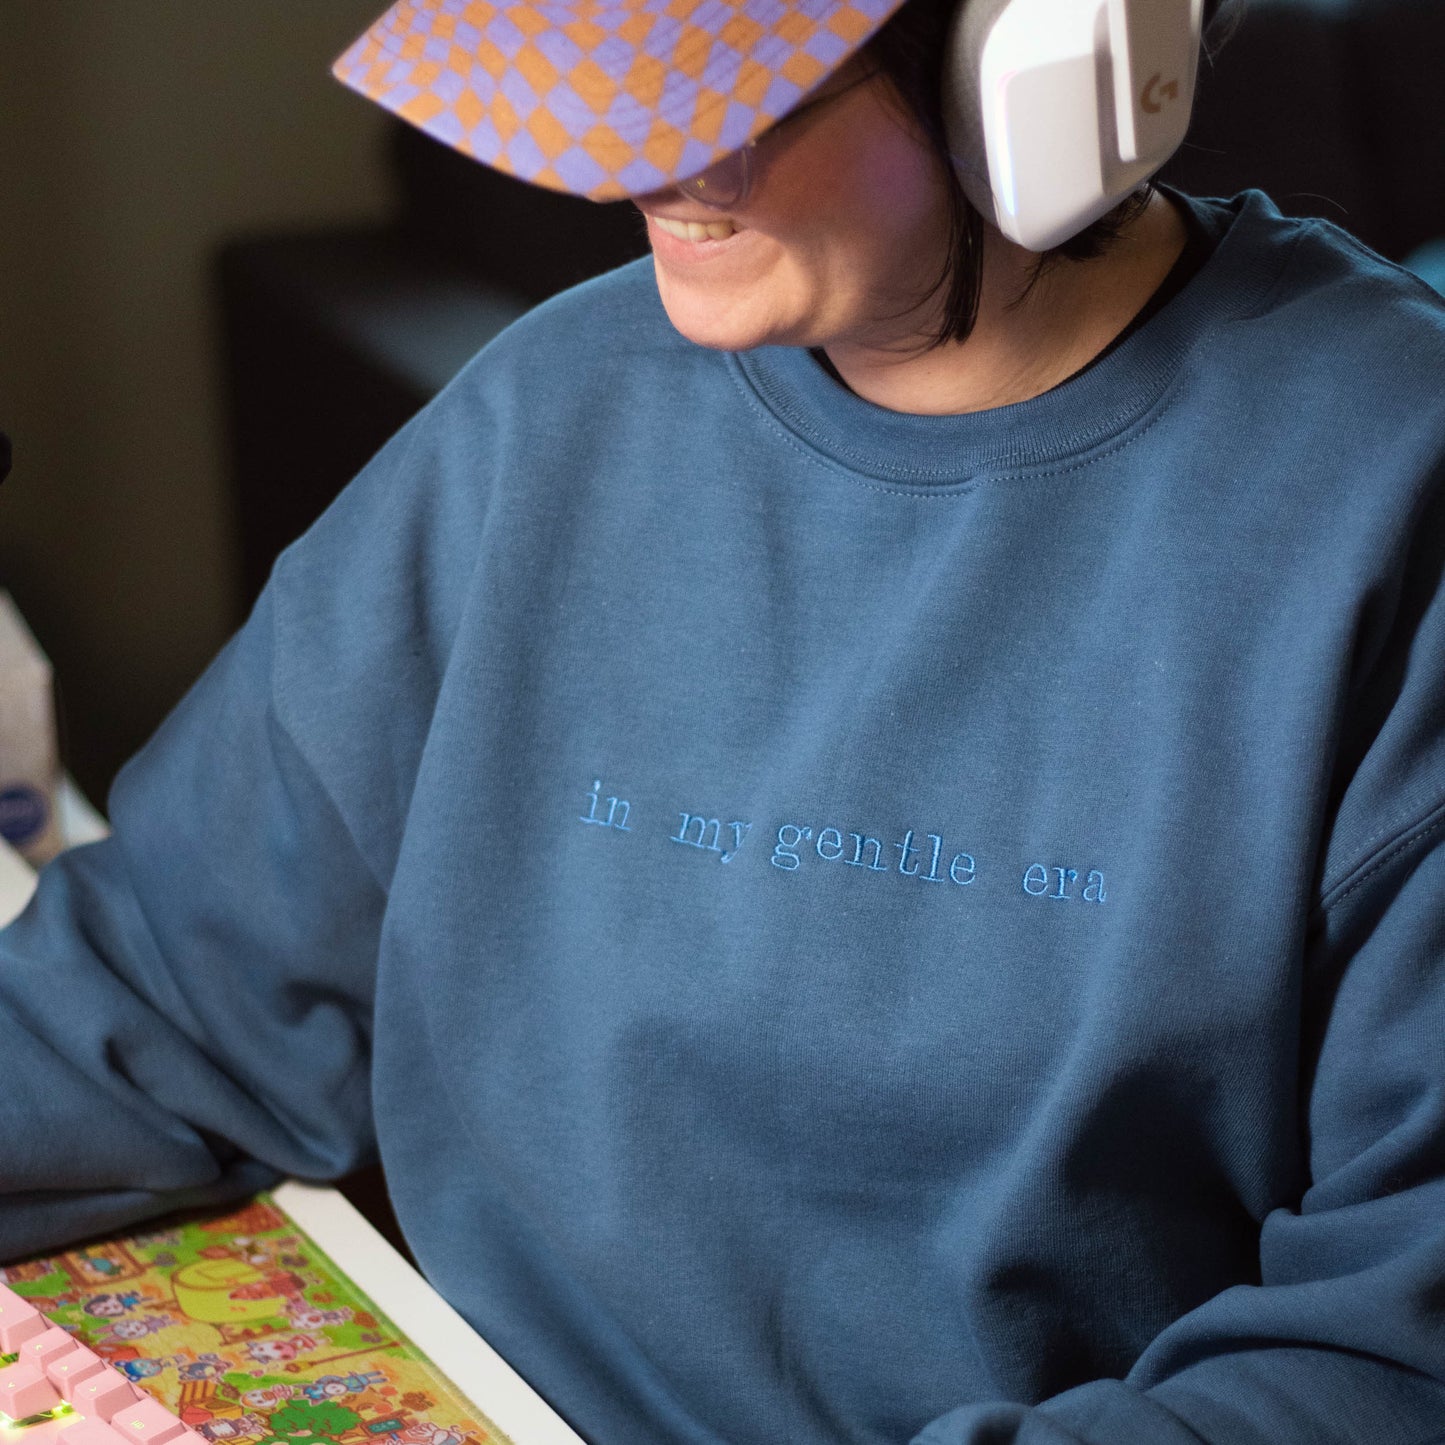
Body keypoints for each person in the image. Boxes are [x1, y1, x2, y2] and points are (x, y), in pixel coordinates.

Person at [4, 0, 1445, 1439]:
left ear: (1048, 56)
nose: (647, 158)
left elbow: (1386, 1360)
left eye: (730, 91)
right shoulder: (541, 419)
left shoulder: (1386, 499)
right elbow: (164, 986)